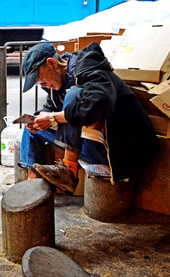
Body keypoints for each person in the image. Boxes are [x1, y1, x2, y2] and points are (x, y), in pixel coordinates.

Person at [19, 42, 160, 194]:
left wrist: (53, 118)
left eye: (41, 80)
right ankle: (31, 191)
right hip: (92, 146)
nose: (43, 85)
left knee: (73, 95)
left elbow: (98, 106)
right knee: (33, 129)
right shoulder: (56, 85)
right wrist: (40, 119)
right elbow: (51, 109)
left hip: (121, 150)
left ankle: (68, 170)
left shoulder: (89, 67)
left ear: (52, 63)